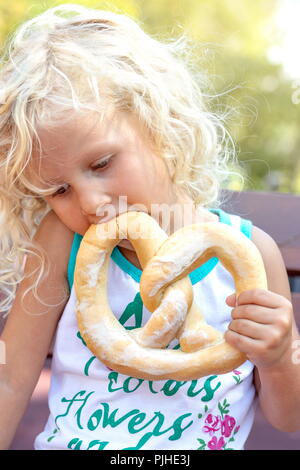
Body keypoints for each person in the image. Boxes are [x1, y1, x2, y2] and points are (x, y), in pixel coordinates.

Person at [0, 4, 299, 451]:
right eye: (58, 190)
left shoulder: (249, 253)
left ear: (159, 125)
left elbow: (288, 417)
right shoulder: (63, 243)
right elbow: (11, 377)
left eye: (101, 163)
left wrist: (277, 361)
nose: (90, 203)